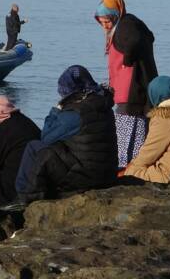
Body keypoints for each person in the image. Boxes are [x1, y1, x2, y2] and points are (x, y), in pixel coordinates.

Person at [15, 65, 118, 202]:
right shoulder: (103, 105)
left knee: (35, 148)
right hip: (107, 172)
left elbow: (45, 137)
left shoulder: (75, 114)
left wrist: (56, 110)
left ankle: (25, 196)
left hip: (85, 176)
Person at [94, 0, 158, 168]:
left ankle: (128, 171)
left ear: (116, 14)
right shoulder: (125, 25)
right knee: (130, 137)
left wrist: (127, 59)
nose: (105, 26)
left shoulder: (126, 25)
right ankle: (129, 169)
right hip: (127, 93)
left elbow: (134, 42)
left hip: (132, 94)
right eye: (102, 22)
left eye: (107, 21)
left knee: (129, 139)